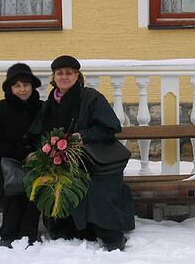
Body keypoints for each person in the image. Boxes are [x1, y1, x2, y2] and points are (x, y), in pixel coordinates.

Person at [28, 55, 135, 251]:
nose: (64, 77)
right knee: (51, 182)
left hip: (93, 160)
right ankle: (71, 229)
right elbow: (38, 133)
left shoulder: (91, 97)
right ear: (54, 77)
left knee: (94, 187)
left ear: (77, 75)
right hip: (61, 160)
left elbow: (109, 128)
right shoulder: (50, 102)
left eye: (69, 73)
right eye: (60, 73)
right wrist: (45, 150)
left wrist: (81, 136)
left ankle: (110, 235)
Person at [0, 63, 42, 248]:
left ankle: (28, 233)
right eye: (17, 85)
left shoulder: (42, 108)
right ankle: (9, 233)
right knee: (11, 184)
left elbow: (47, 137)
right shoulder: (0, 109)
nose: (22, 89)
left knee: (35, 182)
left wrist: (37, 154)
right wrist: (24, 153)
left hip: (34, 161)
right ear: (10, 88)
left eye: (26, 84)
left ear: (32, 86)